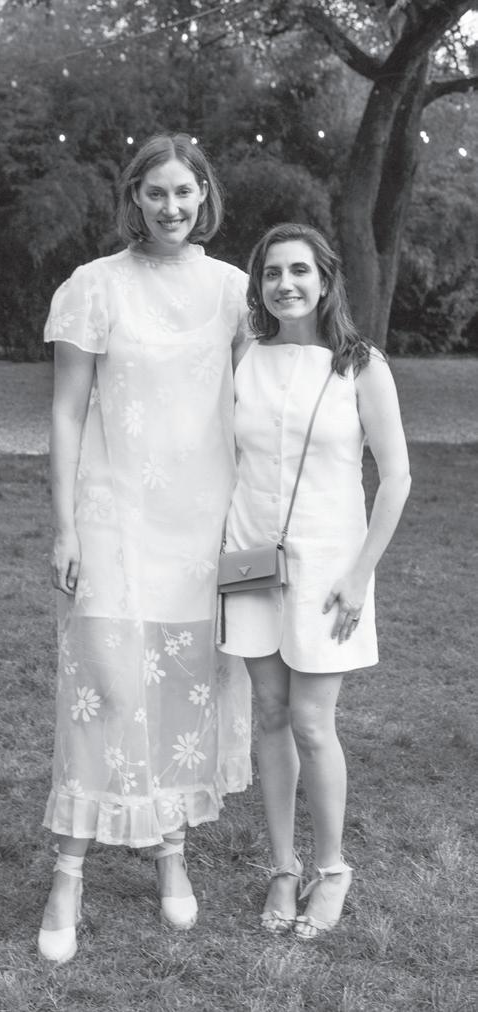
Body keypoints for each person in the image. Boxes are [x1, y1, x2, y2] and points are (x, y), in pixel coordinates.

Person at [37, 133, 252, 963]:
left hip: (200, 523)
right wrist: (65, 524)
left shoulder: (234, 292)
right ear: (135, 198)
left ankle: (170, 849)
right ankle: (68, 873)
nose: (171, 207)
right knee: (104, 683)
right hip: (113, 512)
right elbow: (66, 412)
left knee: (184, 686)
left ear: (204, 197)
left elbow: (260, 402)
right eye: (155, 192)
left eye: (184, 192)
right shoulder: (93, 287)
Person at [219, 222, 411, 940]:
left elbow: (396, 478)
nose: (286, 284)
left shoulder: (362, 365)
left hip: (331, 568)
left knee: (310, 721)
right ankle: (282, 866)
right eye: (272, 273)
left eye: (299, 270)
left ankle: (331, 869)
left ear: (326, 280)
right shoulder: (246, 356)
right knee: (269, 714)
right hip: (248, 558)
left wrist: (361, 575)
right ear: (259, 285)